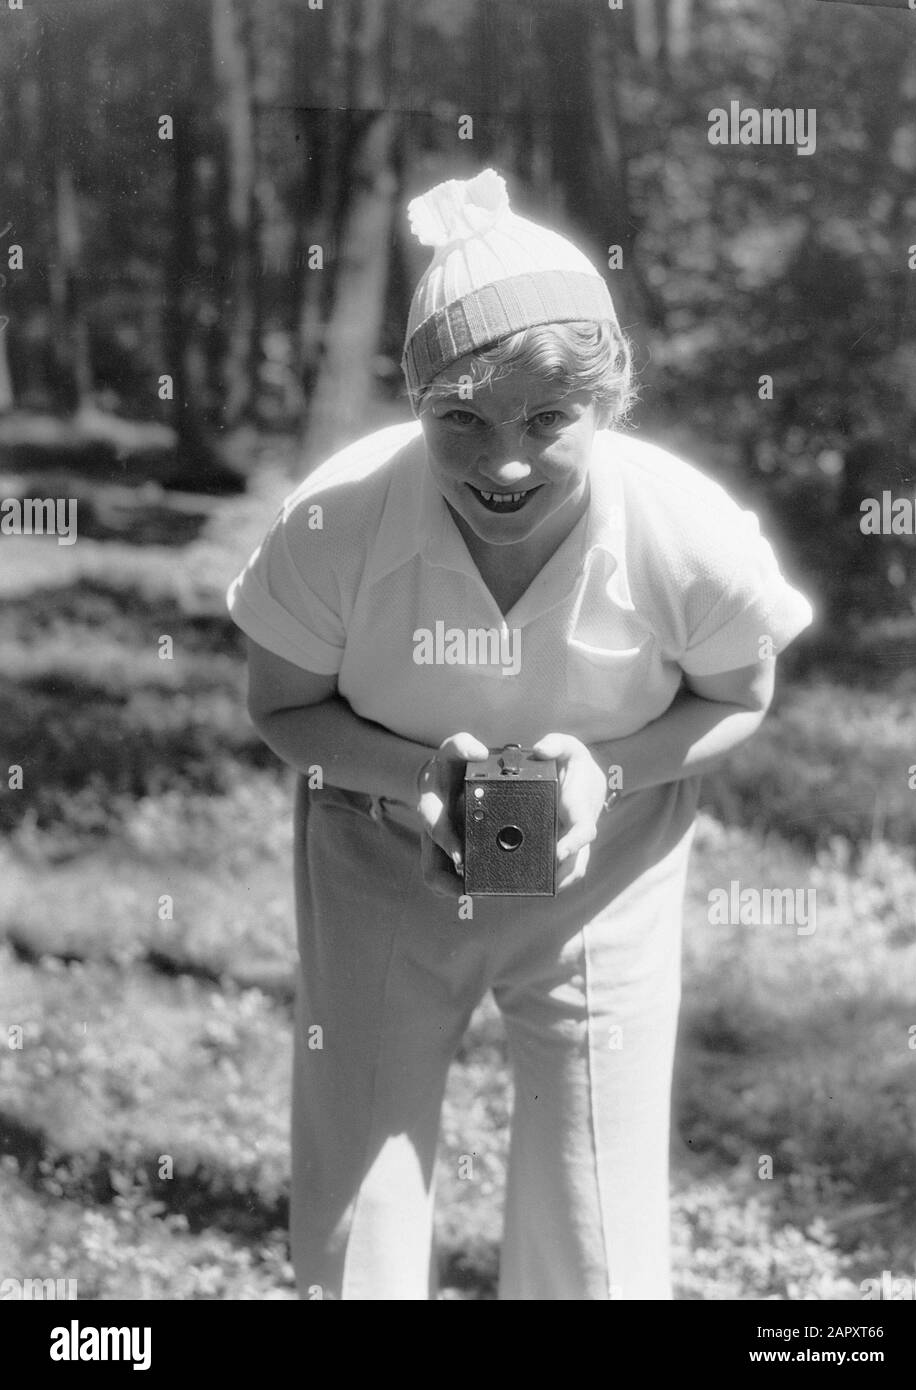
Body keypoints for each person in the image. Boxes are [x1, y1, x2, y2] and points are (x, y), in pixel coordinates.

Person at [226, 168, 813, 1300]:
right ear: (414, 401)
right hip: (382, 845)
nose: (503, 463)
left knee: (594, 1198)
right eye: (462, 420)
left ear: (610, 403)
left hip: (612, 858)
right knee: (361, 1175)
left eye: (548, 421)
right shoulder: (335, 520)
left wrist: (610, 769)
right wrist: (417, 774)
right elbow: (282, 704)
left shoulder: (684, 532)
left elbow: (739, 693)